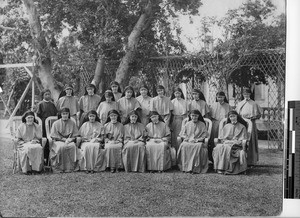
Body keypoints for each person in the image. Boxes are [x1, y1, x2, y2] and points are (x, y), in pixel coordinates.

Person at [212, 110, 248, 174]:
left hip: (236, 146)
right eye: (231, 117)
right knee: (219, 147)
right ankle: (220, 168)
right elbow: (222, 139)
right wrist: (227, 141)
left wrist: (233, 142)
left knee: (226, 147)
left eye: (234, 116)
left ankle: (226, 169)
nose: (232, 118)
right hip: (226, 144)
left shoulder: (242, 127)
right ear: (229, 118)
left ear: (237, 116)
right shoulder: (226, 126)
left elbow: (243, 139)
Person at [236, 87, 262, 166]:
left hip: (251, 123)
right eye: (244, 94)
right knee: (242, 140)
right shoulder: (240, 103)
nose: (246, 95)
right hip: (242, 123)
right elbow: (237, 114)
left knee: (251, 141)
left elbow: (258, 115)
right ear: (243, 95)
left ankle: (251, 161)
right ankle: (240, 160)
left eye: (247, 94)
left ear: (250, 94)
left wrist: (253, 117)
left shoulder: (254, 103)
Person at [177, 110, 209, 174]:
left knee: (198, 146)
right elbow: (182, 133)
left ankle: (196, 168)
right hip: (188, 140)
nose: (194, 117)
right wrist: (188, 139)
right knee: (183, 145)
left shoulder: (202, 124)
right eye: (193, 115)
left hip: (198, 141)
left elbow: (205, 134)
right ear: (190, 116)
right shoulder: (187, 123)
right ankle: (185, 167)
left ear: (198, 116)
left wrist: (197, 140)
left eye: (196, 116)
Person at [50, 107, 80, 173]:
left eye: (66, 114)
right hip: (58, 140)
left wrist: (70, 139)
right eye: (63, 114)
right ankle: (59, 168)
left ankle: (70, 168)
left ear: (69, 114)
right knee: (61, 147)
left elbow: (75, 134)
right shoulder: (55, 123)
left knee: (72, 146)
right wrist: (63, 139)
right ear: (61, 114)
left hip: (69, 140)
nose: (65, 115)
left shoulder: (72, 123)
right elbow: (54, 135)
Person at [208, 91, 232, 162]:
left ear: (224, 97)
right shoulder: (213, 105)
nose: (220, 99)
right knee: (213, 140)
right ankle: (213, 158)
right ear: (216, 97)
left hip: (224, 124)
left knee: (223, 140)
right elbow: (210, 116)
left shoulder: (228, 106)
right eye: (218, 97)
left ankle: (223, 159)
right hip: (215, 124)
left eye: (221, 97)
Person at [36, 89, 58, 163]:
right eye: (46, 94)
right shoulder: (40, 104)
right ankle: (43, 158)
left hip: (51, 123)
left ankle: (50, 157)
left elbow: (55, 113)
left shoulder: (52, 104)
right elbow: (37, 115)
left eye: (49, 94)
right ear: (43, 95)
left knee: (51, 139)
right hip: (43, 123)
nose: (48, 96)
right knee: (44, 138)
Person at [170, 87, 188, 152]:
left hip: (183, 119)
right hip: (175, 120)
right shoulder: (172, 102)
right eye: (176, 93)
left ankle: (183, 151)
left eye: (179, 93)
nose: (177, 95)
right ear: (174, 94)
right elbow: (170, 114)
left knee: (183, 135)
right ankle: (176, 151)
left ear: (181, 93)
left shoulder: (185, 102)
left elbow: (187, 113)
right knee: (175, 137)